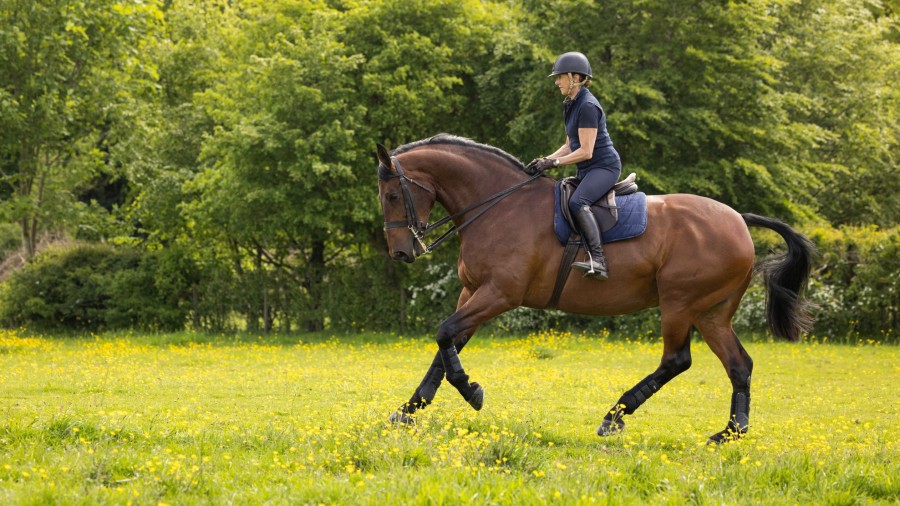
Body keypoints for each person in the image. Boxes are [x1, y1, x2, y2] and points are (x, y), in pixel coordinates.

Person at [526, 51, 622, 280]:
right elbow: (570, 145)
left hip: (604, 167)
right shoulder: (570, 103)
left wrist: (554, 162)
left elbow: (586, 151)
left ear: (575, 78)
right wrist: (544, 160)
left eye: (560, 77)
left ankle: (598, 260)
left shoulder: (588, 105)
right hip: (588, 169)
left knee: (579, 201)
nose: (557, 81)